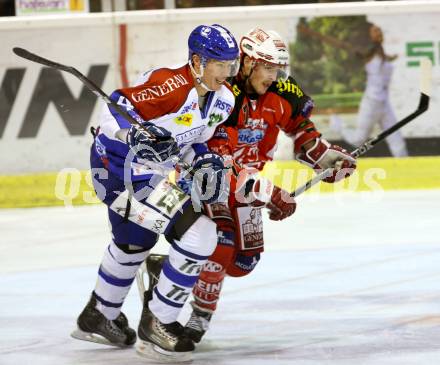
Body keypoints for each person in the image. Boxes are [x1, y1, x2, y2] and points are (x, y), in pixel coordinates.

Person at [143, 27, 357, 345]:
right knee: (222, 241)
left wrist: (326, 158)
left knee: (244, 263)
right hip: (209, 178)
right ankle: (196, 319)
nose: (273, 75)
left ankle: (171, 267)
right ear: (246, 63)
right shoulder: (223, 96)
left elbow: (303, 132)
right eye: (267, 67)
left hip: (248, 184)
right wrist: (270, 192)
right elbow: (221, 161)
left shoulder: (284, 92)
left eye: (277, 68)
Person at [71, 24, 240, 362]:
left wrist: (202, 157)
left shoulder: (223, 100)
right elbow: (114, 107)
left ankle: (99, 315)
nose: (226, 72)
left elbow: (192, 141)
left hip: (146, 173)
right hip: (120, 171)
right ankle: (158, 323)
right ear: (196, 61)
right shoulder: (171, 85)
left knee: (134, 243)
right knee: (199, 234)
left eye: (231, 65)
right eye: (219, 64)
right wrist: (131, 133)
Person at [299, 22, 408, 157]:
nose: (378, 33)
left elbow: (390, 59)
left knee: (395, 135)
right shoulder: (367, 53)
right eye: (375, 31)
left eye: (379, 30)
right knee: (358, 139)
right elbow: (340, 44)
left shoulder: (384, 54)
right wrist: (313, 33)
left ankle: (405, 161)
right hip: (371, 102)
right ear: (369, 36)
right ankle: (337, 124)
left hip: (384, 102)